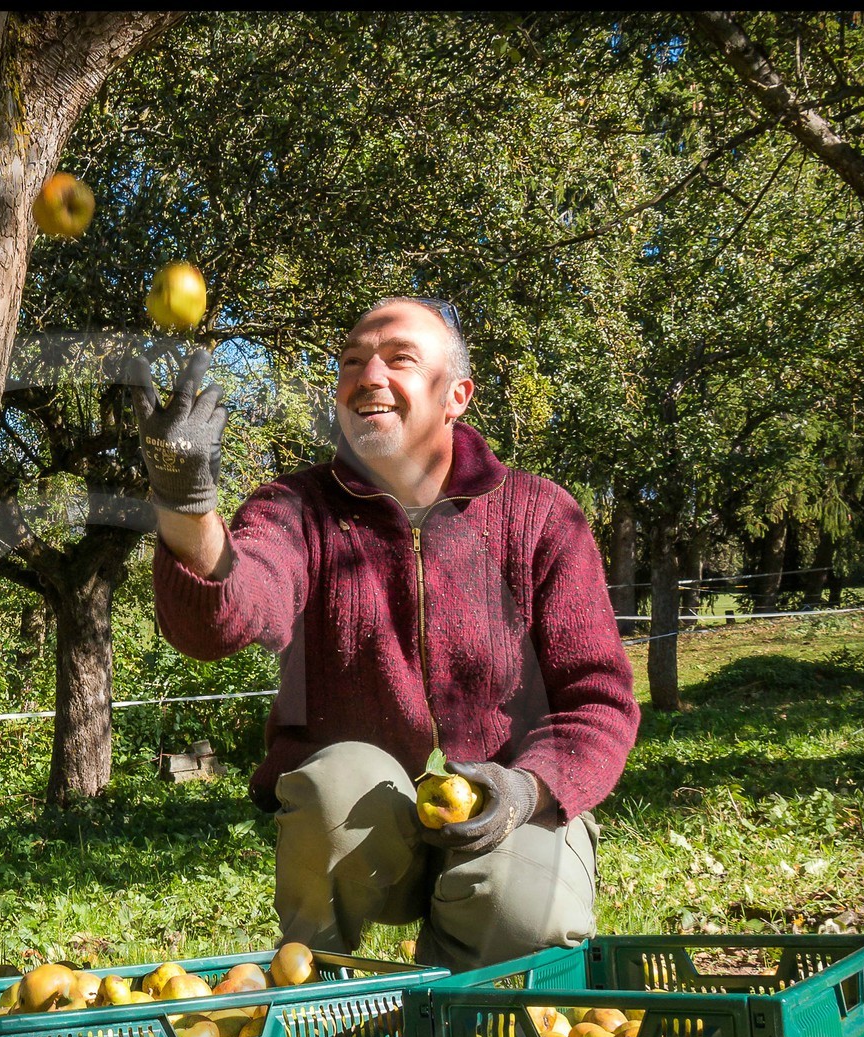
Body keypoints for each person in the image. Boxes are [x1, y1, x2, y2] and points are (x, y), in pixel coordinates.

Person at [130, 298, 640, 972]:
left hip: (513, 817)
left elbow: (596, 703)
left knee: (526, 908)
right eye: (350, 362)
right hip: (373, 834)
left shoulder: (541, 515)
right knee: (335, 782)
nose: (366, 375)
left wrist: (525, 791)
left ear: (457, 395)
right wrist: (187, 508)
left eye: (399, 358)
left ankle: (467, 1001)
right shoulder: (297, 510)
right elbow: (226, 613)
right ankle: (321, 1001)